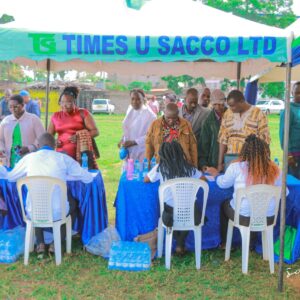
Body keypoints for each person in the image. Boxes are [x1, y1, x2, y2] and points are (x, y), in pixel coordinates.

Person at [0, 133, 93, 254]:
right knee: (73, 205)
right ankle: (56, 242)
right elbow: (88, 178)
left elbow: (11, 177)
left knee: (37, 203)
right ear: (54, 145)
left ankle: (40, 243)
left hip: (33, 211)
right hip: (58, 212)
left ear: (38, 145)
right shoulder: (63, 158)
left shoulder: (28, 158)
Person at [213, 135, 282, 249]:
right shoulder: (276, 170)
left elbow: (222, 184)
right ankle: (250, 244)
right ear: (266, 152)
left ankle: (225, 243)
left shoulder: (236, 167)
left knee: (225, 205)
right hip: (268, 218)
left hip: (244, 218)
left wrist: (216, 175)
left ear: (244, 152)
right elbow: (283, 194)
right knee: (255, 207)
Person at [144, 141, 203, 255]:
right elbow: (203, 180)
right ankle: (180, 245)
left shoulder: (160, 168)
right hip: (191, 211)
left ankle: (179, 244)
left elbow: (146, 179)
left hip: (170, 212)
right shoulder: (190, 168)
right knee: (187, 217)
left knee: (173, 216)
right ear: (181, 152)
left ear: (162, 154)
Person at [218, 90, 270, 172]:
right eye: (229, 106)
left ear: (242, 101)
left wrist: (263, 164)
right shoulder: (227, 114)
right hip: (231, 161)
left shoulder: (258, 114)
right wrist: (220, 163)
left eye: (232, 106)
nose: (230, 109)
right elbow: (222, 140)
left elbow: (265, 141)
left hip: (251, 162)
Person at [48, 86, 99, 167]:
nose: (64, 105)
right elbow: (48, 136)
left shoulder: (83, 113)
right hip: (61, 155)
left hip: (81, 154)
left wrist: (79, 137)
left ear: (74, 102)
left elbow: (95, 131)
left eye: (68, 102)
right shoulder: (55, 116)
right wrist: (53, 142)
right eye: (62, 102)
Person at [145, 102, 198, 167]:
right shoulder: (155, 125)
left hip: (182, 164)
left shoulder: (186, 124)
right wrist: (148, 164)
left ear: (178, 114)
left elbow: (193, 146)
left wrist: (195, 166)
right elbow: (149, 145)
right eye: (168, 118)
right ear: (164, 112)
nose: (171, 121)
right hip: (161, 164)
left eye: (174, 118)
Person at [0, 95, 45, 168]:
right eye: (10, 107)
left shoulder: (33, 119)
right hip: (10, 162)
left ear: (23, 105)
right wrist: (2, 149)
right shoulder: (6, 121)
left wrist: (29, 148)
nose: (12, 109)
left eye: (15, 106)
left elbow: (42, 138)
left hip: (30, 162)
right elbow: (0, 139)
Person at [119, 89, 156, 161]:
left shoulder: (151, 116)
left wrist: (134, 142)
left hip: (142, 150)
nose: (135, 102)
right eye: (132, 99)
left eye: (138, 99)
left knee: (139, 170)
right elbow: (128, 128)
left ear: (144, 99)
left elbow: (151, 135)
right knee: (128, 170)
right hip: (128, 149)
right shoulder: (130, 109)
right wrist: (122, 139)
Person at [198, 89, 227, 171]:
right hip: (213, 163)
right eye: (215, 104)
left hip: (231, 160)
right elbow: (203, 146)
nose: (217, 107)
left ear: (224, 101)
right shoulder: (207, 122)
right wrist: (203, 164)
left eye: (220, 104)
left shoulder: (232, 116)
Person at [280, 81, 300, 179]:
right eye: (297, 93)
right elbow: (283, 134)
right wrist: (289, 155)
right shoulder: (288, 110)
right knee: (295, 183)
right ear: (292, 93)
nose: (299, 95)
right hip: (294, 156)